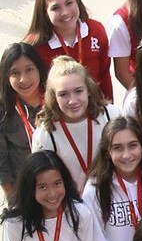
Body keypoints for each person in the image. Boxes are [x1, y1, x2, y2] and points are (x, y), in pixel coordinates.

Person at [32, 56, 119, 193]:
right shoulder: (46, 134)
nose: (72, 101)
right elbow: (41, 180)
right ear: (53, 96)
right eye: (63, 94)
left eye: (79, 91)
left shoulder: (111, 116)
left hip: (112, 197)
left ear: (89, 89)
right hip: (71, 205)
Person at [24, 0, 112, 100]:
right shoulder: (33, 46)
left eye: (69, 3)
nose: (65, 12)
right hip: (56, 115)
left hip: (95, 109)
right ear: (44, 12)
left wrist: (109, 110)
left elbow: (104, 75)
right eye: (55, 8)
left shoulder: (96, 30)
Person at [0, 42, 47, 198]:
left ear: (39, 68)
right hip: (24, 190)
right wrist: (12, 197)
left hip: (60, 187)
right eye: (15, 73)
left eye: (29, 70)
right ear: (6, 77)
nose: (23, 79)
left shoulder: (56, 98)